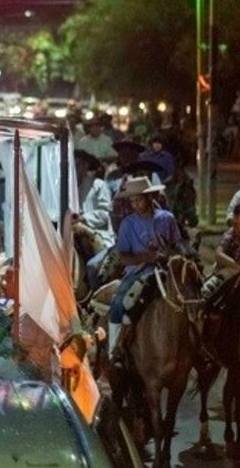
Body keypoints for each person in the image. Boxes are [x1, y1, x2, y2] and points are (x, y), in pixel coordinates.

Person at [107, 177, 183, 359]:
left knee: (192, 298)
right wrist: (146, 257)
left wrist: (171, 254)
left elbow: (178, 244)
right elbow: (123, 257)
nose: (135, 204)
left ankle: (199, 346)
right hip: (138, 272)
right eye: (132, 201)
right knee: (118, 303)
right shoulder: (127, 224)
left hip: (166, 270)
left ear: (150, 197)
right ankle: (114, 348)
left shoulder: (167, 219)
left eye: (139, 199)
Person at [74, 150, 115, 288]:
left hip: (97, 233)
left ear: (86, 166)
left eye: (79, 164)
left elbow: (105, 213)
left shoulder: (99, 185)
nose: (75, 167)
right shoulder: (68, 186)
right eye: (73, 164)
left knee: (93, 263)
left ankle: (93, 289)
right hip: (72, 230)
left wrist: (83, 217)